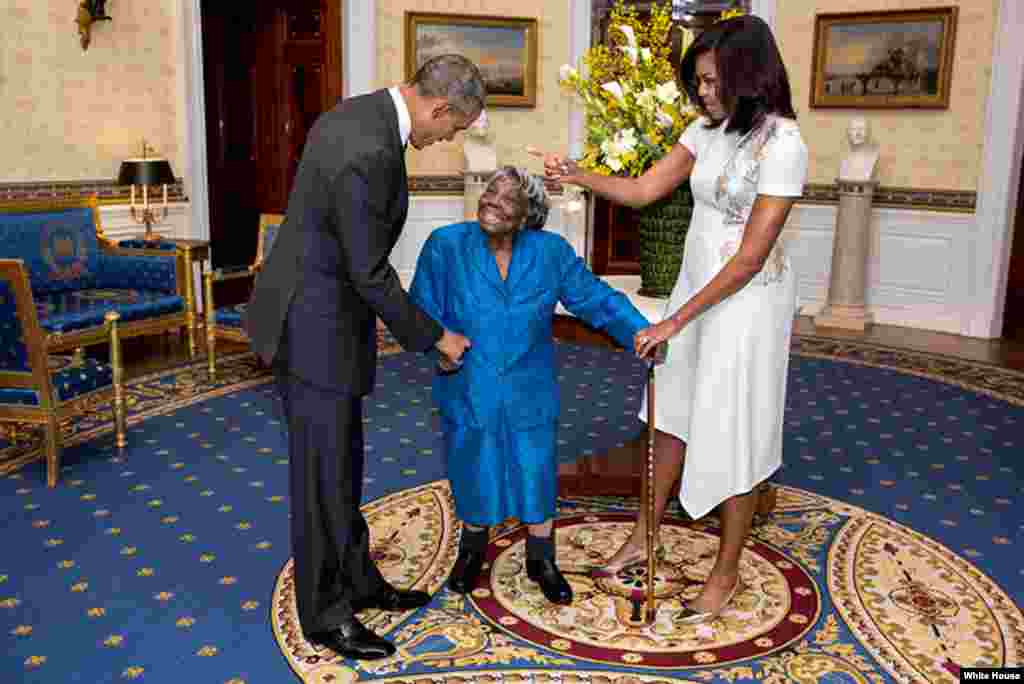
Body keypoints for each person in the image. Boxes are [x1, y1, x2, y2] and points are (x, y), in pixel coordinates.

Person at [538, 14, 808, 623]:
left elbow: (750, 256)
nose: (704, 93)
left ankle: (727, 569)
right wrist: (578, 174)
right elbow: (642, 191)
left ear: (749, 74)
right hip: (696, 289)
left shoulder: (784, 144)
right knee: (669, 413)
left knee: (737, 430)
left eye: (713, 81)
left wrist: (673, 320)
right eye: (699, 83)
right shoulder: (704, 130)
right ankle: (645, 534)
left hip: (749, 304)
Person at [245, 55, 486, 660]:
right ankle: (326, 615)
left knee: (342, 464)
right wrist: (436, 336)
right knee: (322, 477)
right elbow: (370, 273)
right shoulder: (369, 148)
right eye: (451, 128)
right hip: (313, 327)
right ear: (437, 108)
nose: (445, 140)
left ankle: (356, 578)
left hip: (326, 316)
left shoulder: (359, 112)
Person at [408, 167, 650, 605]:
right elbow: (421, 309)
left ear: (528, 216)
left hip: (529, 382)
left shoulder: (550, 252)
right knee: (472, 461)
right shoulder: (446, 245)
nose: (491, 200)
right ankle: (472, 549)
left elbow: (594, 298)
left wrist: (641, 331)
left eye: (506, 197)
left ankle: (542, 558)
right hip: (467, 379)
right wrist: (439, 351)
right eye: (489, 191)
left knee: (534, 466)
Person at [838, 116, 879, 182]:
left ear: (868, 133)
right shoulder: (844, 160)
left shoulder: (872, 158)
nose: (858, 133)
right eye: (854, 129)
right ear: (848, 133)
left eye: (862, 129)